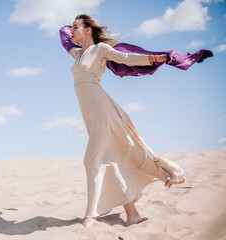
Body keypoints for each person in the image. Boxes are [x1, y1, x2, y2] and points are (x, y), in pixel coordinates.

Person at [59, 14, 191, 228]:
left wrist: (154, 58)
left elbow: (126, 59)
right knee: (110, 161)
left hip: (102, 109)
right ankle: (133, 213)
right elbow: (63, 33)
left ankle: (90, 214)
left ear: (88, 30)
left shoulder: (100, 50)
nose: (72, 31)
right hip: (89, 113)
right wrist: (73, 28)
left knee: (91, 160)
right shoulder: (77, 54)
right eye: (72, 28)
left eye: (77, 27)